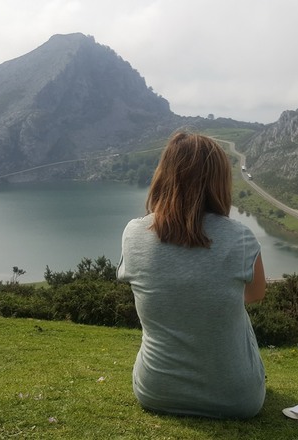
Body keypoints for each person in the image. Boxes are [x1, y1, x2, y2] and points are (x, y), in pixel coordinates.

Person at [117, 131, 267, 419]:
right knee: (238, 310)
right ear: (219, 182)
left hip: (155, 392)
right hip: (238, 401)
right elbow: (255, 295)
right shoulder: (241, 237)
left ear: (164, 175)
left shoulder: (134, 233)